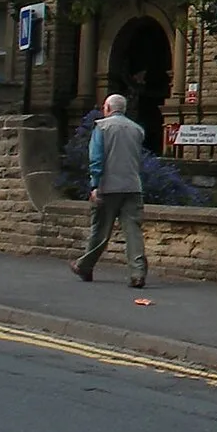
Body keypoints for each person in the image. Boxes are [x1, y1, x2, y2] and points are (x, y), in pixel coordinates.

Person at [71, 93, 148, 287]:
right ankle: (137, 273)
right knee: (133, 232)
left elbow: (96, 158)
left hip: (108, 186)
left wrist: (95, 185)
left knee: (100, 231)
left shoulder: (102, 127)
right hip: (132, 186)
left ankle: (85, 267)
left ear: (107, 107)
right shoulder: (137, 130)